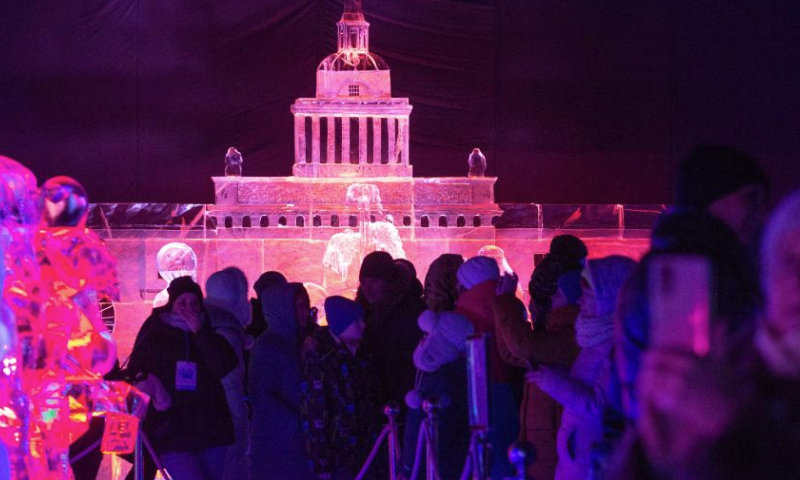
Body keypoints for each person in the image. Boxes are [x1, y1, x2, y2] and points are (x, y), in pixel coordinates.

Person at [527, 256, 635, 480]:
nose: (582, 300)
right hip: (578, 454)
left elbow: (602, 407)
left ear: (609, 297)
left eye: (589, 294)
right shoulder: (594, 338)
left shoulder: (615, 346)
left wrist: (553, 382)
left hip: (592, 459)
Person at [493, 235, 587, 480]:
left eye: (556, 294)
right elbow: (516, 353)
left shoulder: (575, 334)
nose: (544, 302)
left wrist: (505, 303)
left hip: (557, 452)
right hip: (543, 446)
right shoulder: (557, 331)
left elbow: (525, 347)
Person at [127, 277, 237, 480]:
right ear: (172, 305)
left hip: (210, 427)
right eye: (183, 303)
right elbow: (137, 370)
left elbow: (224, 366)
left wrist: (200, 333)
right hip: (173, 430)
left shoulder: (208, 332)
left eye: (194, 303)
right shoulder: (156, 333)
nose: (189, 308)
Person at [455, 256, 517, 479]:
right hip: (508, 382)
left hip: (476, 384)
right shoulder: (509, 301)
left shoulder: (464, 308)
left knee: (481, 453)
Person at [248, 283, 315, 480]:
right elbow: (262, 395)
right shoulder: (268, 345)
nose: (304, 313)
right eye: (298, 307)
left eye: (306, 306)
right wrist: (298, 423)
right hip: (278, 439)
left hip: (296, 436)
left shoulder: (296, 340)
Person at [302, 296, 372, 480]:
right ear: (343, 324)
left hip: (357, 446)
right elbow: (316, 409)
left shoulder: (355, 353)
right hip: (338, 451)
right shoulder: (322, 359)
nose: (363, 325)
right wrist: (321, 460)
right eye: (357, 320)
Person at [401, 310, 473, 480]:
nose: (422, 340)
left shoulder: (440, 381)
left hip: (435, 469)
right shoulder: (452, 374)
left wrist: (409, 467)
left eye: (426, 335)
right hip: (447, 465)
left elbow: (433, 435)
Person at [359, 252, 425, 412]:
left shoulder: (412, 312)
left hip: (406, 401)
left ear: (388, 282)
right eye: (363, 282)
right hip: (378, 400)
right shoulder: (364, 313)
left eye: (374, 282)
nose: (368, 289)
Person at [205, 267, 251, 480]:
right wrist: (241, 429)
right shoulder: (227, 331)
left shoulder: (201, 324)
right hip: (225, 423)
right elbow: (231, 385)